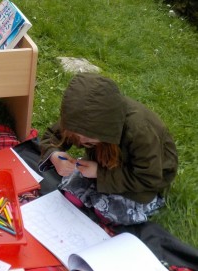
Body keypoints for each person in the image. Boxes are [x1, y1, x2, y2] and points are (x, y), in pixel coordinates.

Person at [39, 73, 178, 225]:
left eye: (88, 138)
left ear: (107, 130)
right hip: (105, 164)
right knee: (70, 194)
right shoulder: (79, 119)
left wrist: (99, 173)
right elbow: (52, 136)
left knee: (106, 212)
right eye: (77, 136)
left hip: (142, 179)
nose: (81, 141)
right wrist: (55, 155)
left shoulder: (140, 131)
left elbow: (148, 178)